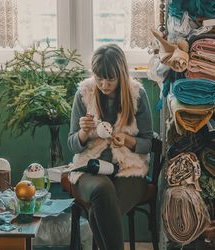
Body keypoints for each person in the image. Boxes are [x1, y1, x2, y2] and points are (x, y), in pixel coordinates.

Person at [67, 44, 153, 250]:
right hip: (90, 168)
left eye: (110, 79)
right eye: (99, 78)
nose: (104, 84)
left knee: (100, 211)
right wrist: (83, 133)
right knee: (102, 191)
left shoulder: (137, 96)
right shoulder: (84, 94)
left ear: (121, 74)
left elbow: (149, 142)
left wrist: (128, 140)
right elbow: (72, 145)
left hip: (129, 170)